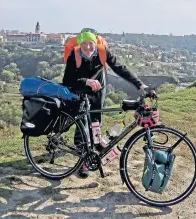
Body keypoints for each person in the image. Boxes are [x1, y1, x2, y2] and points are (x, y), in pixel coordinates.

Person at [62, 28, 148, 178]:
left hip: (98, 88)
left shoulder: (103, 52)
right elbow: (67, 81)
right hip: (81, 87)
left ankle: (92, 151)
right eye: (85, 44)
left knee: (95, 119)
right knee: (81, 120)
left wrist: (140, 84)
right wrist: (86, 81)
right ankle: (82, 154)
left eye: (91, 44)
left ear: (96, 43)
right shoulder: (73, 55)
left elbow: (120, 69)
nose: (88, 47)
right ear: (80, 44)